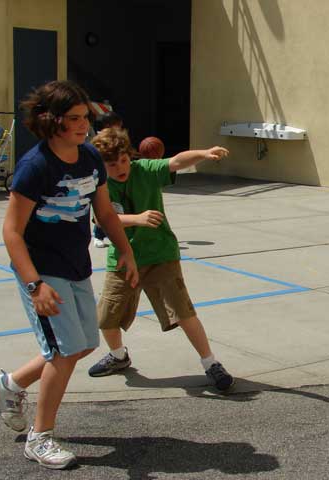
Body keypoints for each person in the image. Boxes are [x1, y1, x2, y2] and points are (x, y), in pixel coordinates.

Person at [0, 81, 138, 470]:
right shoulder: (35, 167)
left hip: (75, 266)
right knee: (64, 351)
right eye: (74, 118)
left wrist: (126, 250)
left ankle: (10, 385)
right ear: (52, 121)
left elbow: (105, 213)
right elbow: (12, 231)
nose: (84, 125)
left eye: (85, 117)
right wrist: (34, 285)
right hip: (42, 272)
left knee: (84, 344)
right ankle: (40, 437)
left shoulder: (89, 158)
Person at [88, 127, 235, 391]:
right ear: (102, 166)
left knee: (183, 312)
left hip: (161, 255)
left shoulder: (145, 169)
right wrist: (137, 219)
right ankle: (119, 357)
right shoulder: (100, 185)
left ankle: (211, 363)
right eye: (112, 164)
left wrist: (204, 153)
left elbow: (176, 161)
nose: (120, 167)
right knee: (107, 318)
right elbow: (103, 220)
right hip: (122, 258)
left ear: (130, 156)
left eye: (123, 160)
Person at [92, 111, 124, 248]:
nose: (119, 128)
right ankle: (98, 235)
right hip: (102, 178)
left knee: (116, 208)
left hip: (115, 177)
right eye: (117, 125)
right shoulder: (100, 139)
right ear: (109, 125)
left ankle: (113, 234)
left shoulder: (119, 139)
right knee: (103, 208)